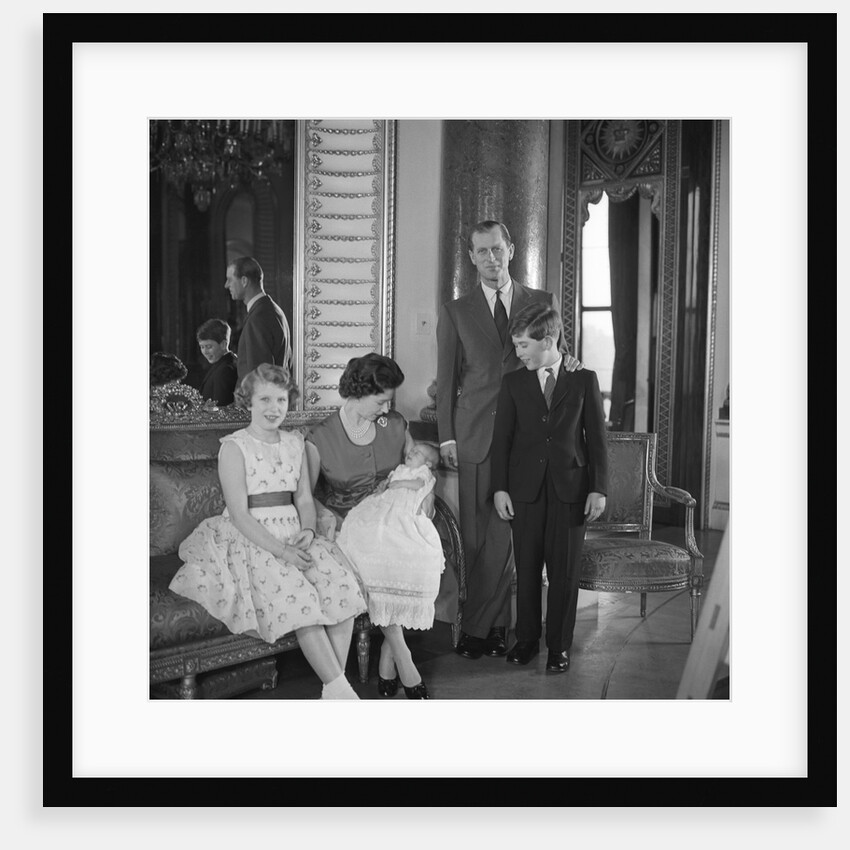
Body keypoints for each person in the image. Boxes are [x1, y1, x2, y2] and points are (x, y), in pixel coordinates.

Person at [168, 363, 368, 700]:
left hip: (294, 530)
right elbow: (240, 515)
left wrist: (306, 529)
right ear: (247, 402)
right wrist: (282, 551)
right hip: (253, 536)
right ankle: (342, 693)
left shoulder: (295, 443)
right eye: (264, 400)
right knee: (302, 598)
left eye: (280, 400)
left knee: (342, 588)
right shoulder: (234, 447)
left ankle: (333, 688)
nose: (273, 409)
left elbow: (304, 498)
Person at [435, 219, 581, 661]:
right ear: (471, 257)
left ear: (511, 249)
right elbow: (447, 381)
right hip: (475, 434)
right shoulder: (457, 311)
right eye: (481, 252)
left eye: (497, 249)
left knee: (512, 537)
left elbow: (560, 360)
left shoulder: (541, 301)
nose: (491, 259)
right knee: (479, 539)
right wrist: (446, 439)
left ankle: (486, 629)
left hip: (529, 437)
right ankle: (490, 629)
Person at [305, 354, 432, 699]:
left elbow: (416, 471)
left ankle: (390, 656)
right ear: (359, 392)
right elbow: (305, 495)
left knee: (413, 552)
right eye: (381, 400)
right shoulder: (321, 437)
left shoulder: (395, 424)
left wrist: (421, 503)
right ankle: (401, 656)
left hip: (392, 519)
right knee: (376, 558)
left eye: (389, 399)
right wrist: (325, 515)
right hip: (349, 525)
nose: (387, 406)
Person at [491, 303, 608, 673]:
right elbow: (502, 439)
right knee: (526, 569)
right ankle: (526, 640)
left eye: (524, 345)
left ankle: (559, 646)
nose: (518, 352)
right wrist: (500, 489)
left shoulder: (582, 379)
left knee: (564, 572)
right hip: (524, 490)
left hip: (571, 490)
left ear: (549, 339)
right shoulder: (513, 382)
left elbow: (597, 439)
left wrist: (598, 488)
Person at [336, 441, 445, 688]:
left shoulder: (422, 474)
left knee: (409, 557)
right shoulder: (399, 469)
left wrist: (398, 484)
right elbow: (383, 491)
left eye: (418, 454)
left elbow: (419, 487)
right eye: (411, 450)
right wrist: (385, 487)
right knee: (369, 546)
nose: (410, 453)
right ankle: (396, 654)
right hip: (382, 513)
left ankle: (389, 651)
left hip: (404, 518)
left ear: (428, 464)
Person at [224, 256, 292, 382]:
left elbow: (259, 378)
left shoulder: (258, 318)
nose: (226, 285)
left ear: (244, 281)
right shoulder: (273, 310)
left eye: (230, 280)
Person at [196, 318, 238, 406]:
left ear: (223, 344)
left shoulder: (225, 371)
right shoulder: (223, 364)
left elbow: (221, 411)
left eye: (208, 346)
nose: (205, 352)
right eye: (202, 347)